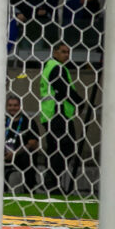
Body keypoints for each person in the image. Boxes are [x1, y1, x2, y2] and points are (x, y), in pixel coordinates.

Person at [39, 43, 82, 195]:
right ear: (55, 52)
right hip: (57, 113)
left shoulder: (48, 66)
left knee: (55, 148)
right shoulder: (57, 67)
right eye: (63, 51)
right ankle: (52, 180)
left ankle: (52, 181)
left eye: (68, 52)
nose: (66, 55)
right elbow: (64, 89)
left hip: (49, 114)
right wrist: (80, 102)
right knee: (66, 147)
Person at [4, 95, 40, 194]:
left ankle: (29, 190)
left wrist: (15, 153)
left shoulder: (28, 122)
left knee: (28, 156)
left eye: (15, 105)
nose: (12, 108)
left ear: (20, 107)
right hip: (3, 155)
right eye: (10, 105)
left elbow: (33, 143)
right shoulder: (1, 121)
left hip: (21, 155)